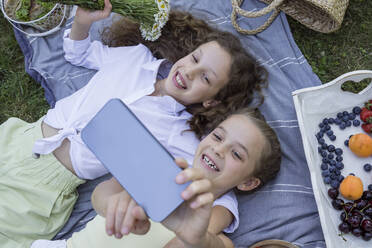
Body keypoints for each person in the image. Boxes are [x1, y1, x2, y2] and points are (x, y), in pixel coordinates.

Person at [0, 0, 268, 247]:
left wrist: (231, 192)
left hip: (47, 188)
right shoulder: (135, 57)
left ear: (211, 101)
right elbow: (78, 55)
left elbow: (208, 175)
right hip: (21, 137)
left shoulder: (179, 133)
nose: (189, 72)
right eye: (195, 59)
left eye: (205, 79)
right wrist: (83, 22)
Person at [31, 107, 281, 248]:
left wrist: (190, 237)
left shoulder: (220, 207)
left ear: (248, 182)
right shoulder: (166, 162)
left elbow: (202, 240)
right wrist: (115, 207)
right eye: (217, 137)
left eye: (236, 153)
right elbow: (101, 193)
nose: (219, 149)